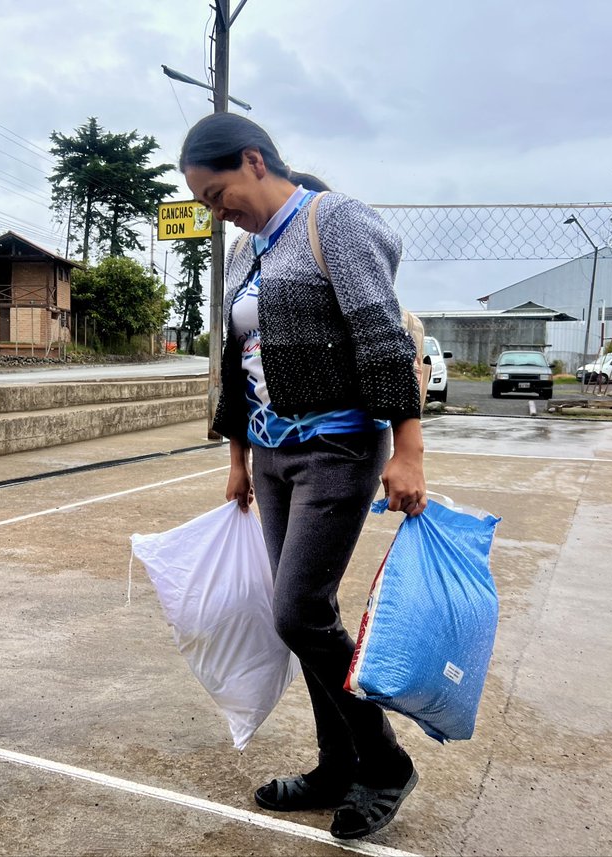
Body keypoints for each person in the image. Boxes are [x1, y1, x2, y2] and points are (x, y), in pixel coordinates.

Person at [178, 113, 426, 841]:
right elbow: (235, 360)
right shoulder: (244, 252)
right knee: (306, 618)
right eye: (204, 203)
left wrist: (408, 451)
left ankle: (383, 764)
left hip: (337, 447)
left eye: (217, 193)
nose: (216, 211)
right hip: (271, 454)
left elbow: (384, 338)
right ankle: (335, 764)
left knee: (297, 611)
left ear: (254, 160)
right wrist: (236, 457)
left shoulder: (332, 220)